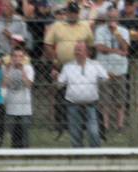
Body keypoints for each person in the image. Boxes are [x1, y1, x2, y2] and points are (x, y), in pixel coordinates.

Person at [45, 3, 95, 138]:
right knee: (61, 95)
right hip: (62, 66)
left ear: (77, 13)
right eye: (70, 12)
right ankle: (61, 124)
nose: (72, 14)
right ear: (66, 12)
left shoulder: (84, 26)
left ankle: (82, 124)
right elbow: (48, 43)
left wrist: (86, 58)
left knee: (80, 94)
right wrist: (55, 59)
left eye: (74, 12)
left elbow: (90, 44)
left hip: (79, 66)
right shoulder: (57, 25)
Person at [58, 40, 109, 147]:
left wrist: (108, 76)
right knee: (75, 135)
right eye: (75, 50)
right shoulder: (68, 67)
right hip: (73, 106)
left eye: (79, 50)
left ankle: (95, 158)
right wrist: (55, 79)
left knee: (94, 133)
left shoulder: (95, 65)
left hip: (91, 106)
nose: (77, 52)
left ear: (86, 52)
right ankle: (78, 158)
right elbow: (60, 84)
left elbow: (105, 78)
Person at [94, 8, 129, 133]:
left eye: (114, 17)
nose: (111, 20)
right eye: (110, 17)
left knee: (120, 98)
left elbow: (125, 46)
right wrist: (117, 51)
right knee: (104, 99)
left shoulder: (123, 31)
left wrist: (116, 31)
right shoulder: (100, 30)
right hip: (103, 68)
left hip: (120, 68)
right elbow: (100, 47)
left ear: (118, 19)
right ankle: (105, 125)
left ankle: (120, 125)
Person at [2, 42, 33, 147]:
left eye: (20, 56)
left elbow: (28, 84)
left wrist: (22, 70)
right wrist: (6, 70)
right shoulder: (6, 68)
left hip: (25, 109)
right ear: (11, 57)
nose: (17, 59)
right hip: (11, 108)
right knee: (13, 137)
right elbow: (3, 84)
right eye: (15, 56)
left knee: (25, 138)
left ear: (24, 57)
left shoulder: (28, 68)